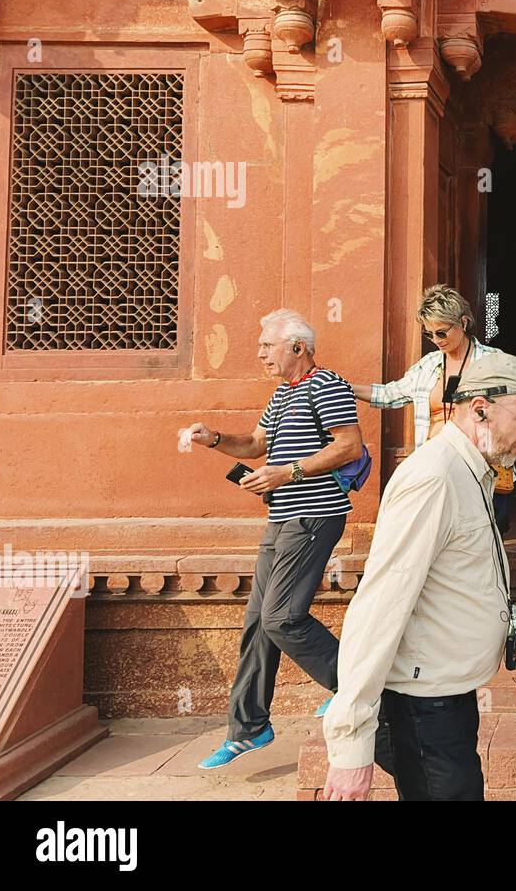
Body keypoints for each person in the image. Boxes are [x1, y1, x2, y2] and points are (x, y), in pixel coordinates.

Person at [321, 353, 516, 800]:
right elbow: (380, 606)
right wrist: (350, 741)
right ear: (481, 408)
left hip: (446, 693)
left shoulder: (473, 470)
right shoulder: (435, 477)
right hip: (424, 703)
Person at [185, 309, 363, 769]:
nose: (260, 352)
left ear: (298, 347)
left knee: (282, 618)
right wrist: (214, 438)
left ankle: (355, 686)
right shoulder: (283, 393)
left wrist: (289, 472)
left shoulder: (327, 385)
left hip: (315, 515)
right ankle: (249, 729)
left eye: (268, 345)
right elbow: (254, 446)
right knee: (258, 623)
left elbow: (350, 446)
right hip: (283, 518)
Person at [350, 284, 513, 533]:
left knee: (481, 540)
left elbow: (515, 413)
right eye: (429, 335)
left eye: (441, 333)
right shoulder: (429, 365)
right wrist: (343, 387)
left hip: (480, 469)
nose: (436, 340)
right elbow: (388, 395)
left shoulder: (493, 361)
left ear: (464, 322)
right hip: (435, 469)